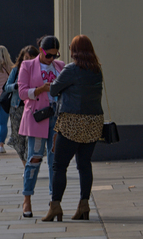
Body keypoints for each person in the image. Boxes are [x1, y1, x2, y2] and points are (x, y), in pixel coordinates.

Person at [43, 34, 105, 222]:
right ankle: (84, 204)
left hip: (72, 122)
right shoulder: (97, 70)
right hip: (93, 122)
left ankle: (55, 206)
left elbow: (54, 90)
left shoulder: (71, 69)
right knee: (84, 165)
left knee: (59, 165)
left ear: (75, 50)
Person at [17, 35, 65, 217]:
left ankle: (54, 201)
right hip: (38, 116)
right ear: (42, 51)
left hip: (56, 117)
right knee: (34, 159)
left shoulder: (60, 66)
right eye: (49, 55)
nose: (52, 59)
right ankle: (27, 199)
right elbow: (22, 92)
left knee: (55, 162)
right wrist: (40, 89)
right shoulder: (28, 66)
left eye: (55, 55)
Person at [5, 45, 38, 165]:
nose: (28, 60)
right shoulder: (16, 70)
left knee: (30, 138)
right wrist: (16, 86)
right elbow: (6, 87)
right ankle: (25, 162)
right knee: (19, 138)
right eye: (26, 58)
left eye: (31, 58)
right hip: (16, 107)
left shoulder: (38, 70)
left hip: (32, 108)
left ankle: (29, 163)